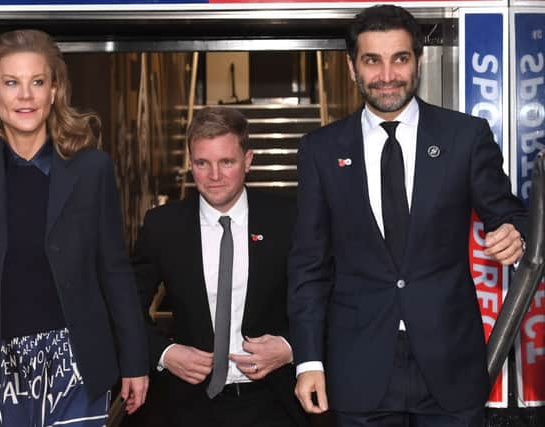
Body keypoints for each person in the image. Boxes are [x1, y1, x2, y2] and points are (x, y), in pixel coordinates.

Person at [288, 5, 528, 426]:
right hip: (358, 368)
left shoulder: (465, 136)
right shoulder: (320, 150)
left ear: (419, 60)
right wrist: (308, 360)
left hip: (450, 365)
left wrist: (514, 232)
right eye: (372, 60)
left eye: (400, 58)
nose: (387, 75)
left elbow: (509, 212)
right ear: (351, 67)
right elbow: (308, 263)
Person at [0, 29, 148, 426]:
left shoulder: (93, 169)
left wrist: (135, 360)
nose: (25, 96)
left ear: (54, 91)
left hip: (79, 364)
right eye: (11, 83)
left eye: (37, 82)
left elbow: (114, 270)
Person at [133, 107, 308, 427]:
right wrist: (165, 353)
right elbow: (124, 306)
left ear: (248, 160)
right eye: (202, 163)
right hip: (187, 406)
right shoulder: (163, 226)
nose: (214, 176)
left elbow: (327, 296)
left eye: (226, 162)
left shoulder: (289, 219)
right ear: (190, 162)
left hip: (274, 402)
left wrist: (288, 347)